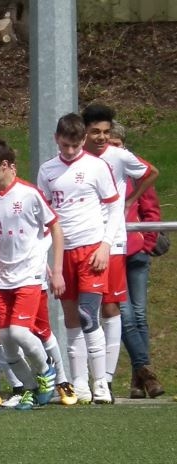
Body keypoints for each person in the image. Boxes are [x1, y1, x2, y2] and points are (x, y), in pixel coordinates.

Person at [0, 139, 64, 410]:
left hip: (29, 276)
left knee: (20, 333)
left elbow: (56, 228)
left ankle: (46, 371)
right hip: (0, 278)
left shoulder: (29, 194)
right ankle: (31, 389)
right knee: (7, 342)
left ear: (5, 165)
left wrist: (57, 270)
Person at [37, 112, 121, 404]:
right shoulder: (47, 170)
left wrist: (105, 245)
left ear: (83, 140)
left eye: (75, 145)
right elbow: (43, 218)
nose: (70, 151)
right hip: (63, 253)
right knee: (71, 318)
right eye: (65, 145)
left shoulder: (97, 167)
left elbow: (114, 208)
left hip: (91, 249)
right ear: (56, 139)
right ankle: (79, 383)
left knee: (88, 315)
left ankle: (101, 384)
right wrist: (49, 263)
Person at [80, 104, 158, 396]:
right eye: (96, 132)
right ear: (85, 132)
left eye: (106, 132)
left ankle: (108, 380)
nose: (102, 137)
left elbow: (151, 173)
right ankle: (86, 380)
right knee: (86, 312)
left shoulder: (119, 155)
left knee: (118, 310)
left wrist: (130, 199)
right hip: (84, 240)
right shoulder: (77, 158)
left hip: (115, 242)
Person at [109, 122, 166, 399]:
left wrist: (147, 242)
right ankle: (147, 375)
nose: (114, 150)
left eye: (118, 145)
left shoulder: (134, 171)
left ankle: (138, 380)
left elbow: (151, 210)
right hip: (112, 252)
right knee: (127, 316)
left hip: (136, 251)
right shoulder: (98, 170)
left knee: (140, 315)